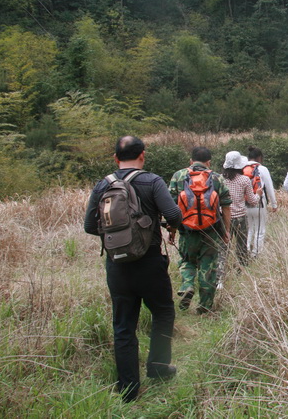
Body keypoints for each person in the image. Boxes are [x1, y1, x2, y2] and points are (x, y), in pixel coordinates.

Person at [84, 136, 182, 402]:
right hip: (149, 261)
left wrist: (118, 240)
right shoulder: (152, 181)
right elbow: (173, 215)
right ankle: (159, 368)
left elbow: (89, 226)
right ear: (143, 155)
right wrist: (159, 227)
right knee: (163, 311)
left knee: (123, 325)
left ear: (116, 158)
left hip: (117, 265)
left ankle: (128, 389)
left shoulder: (102, 184)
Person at [168, 146, 231, 314]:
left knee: (187, 260)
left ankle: (188, 285)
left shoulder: (179, 176)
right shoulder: (217, 178)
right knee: (208, 268)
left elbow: (171, 207)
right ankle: (204, 308)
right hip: (211, 231)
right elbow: (226, 206)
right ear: (208, 162)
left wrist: (172, 230)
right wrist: (226, 231)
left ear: (191, 161)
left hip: (187, 230)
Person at [222, 151, 261, 273]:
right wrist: (258, 194)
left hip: (223, 217)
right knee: (241, 247)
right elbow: (253, 201)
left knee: (223, 247)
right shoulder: (244, 180)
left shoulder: (219, 179)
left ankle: (220, 273)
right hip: (240, 218)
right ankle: (242, 270)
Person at [245, 146, 277, 259]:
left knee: (250, 228)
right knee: (260, 229)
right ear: (259, 157)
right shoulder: (262, 169)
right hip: (259, 203)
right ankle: (256, 253)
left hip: (245, 204)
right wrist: (274, 204)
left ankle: (247, 249)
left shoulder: (242, 168)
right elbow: (269, 187)